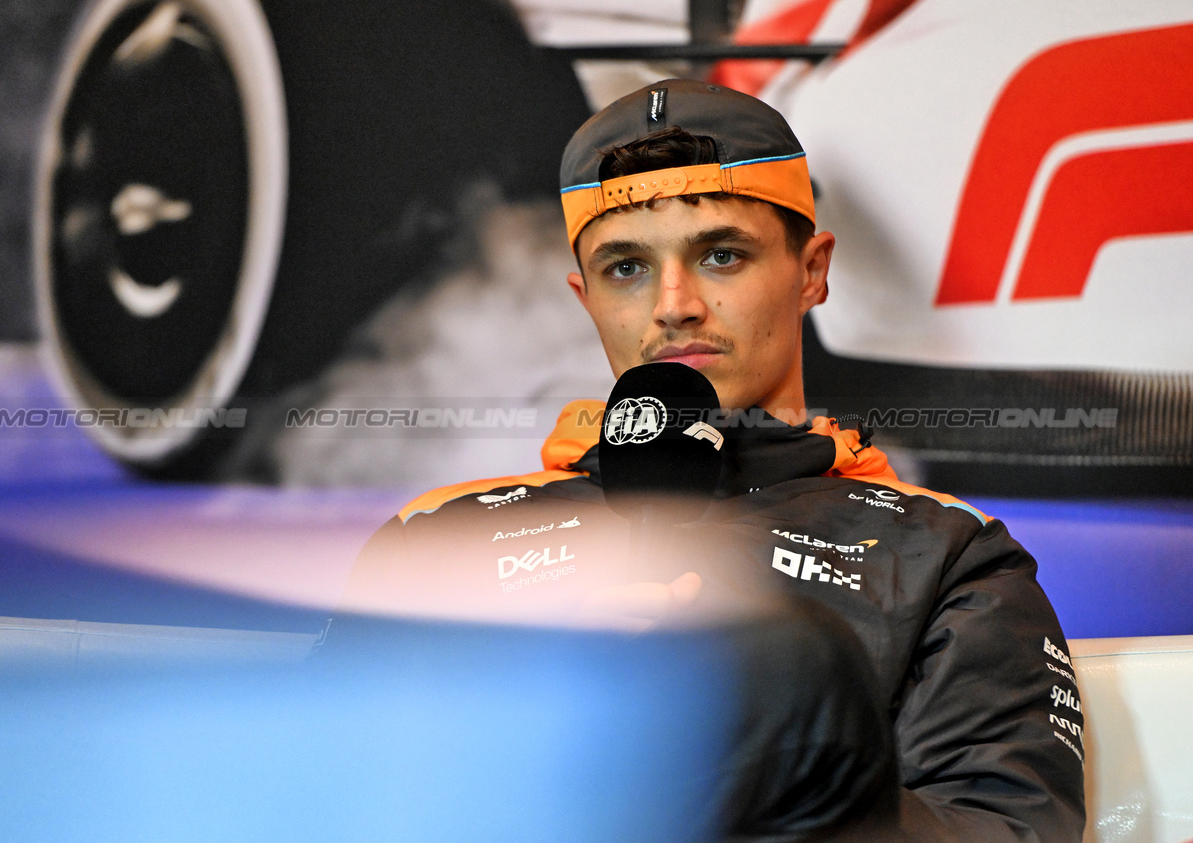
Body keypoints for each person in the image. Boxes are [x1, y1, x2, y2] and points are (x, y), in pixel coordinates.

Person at [334, 79, 1086, 841]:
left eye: (720, 255)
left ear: (812, 270)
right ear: (583, 296)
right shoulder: (435, 539)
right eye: (625, 267)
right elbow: (303, 803)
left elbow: (1006, 830)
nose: (672, 304)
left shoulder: (949, 555)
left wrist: (790, 750)